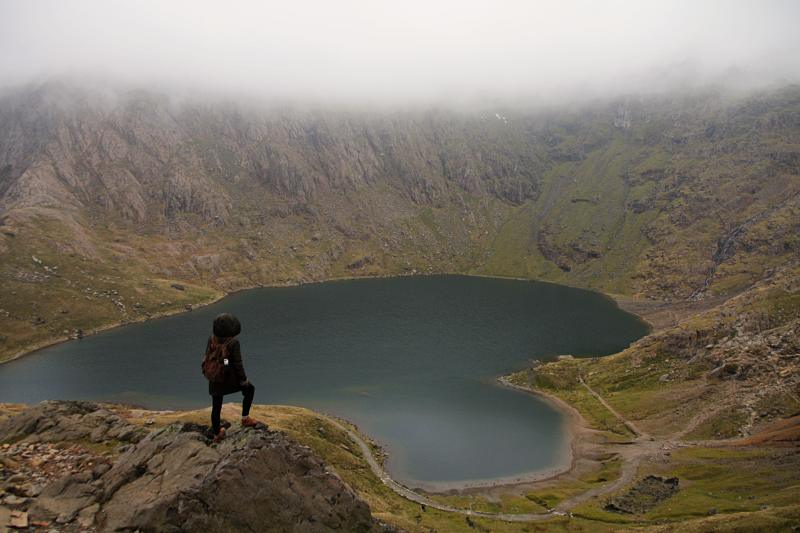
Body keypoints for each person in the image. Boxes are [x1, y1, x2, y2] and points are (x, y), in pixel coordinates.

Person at [204, 313, 261, 442]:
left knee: (216, 405)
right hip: (228, 377)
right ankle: (245, 418)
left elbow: (209, 355)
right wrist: (243, 379)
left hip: (214, 376)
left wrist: (221, 364)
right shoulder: (233, 342)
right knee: (250, 389)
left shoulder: (211, 338)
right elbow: (237, 363)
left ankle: (217, 433)